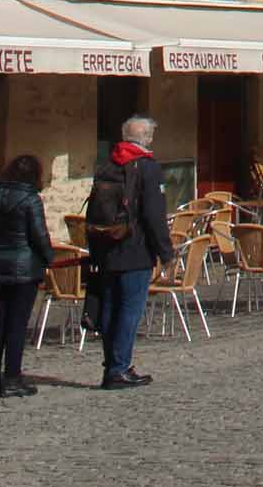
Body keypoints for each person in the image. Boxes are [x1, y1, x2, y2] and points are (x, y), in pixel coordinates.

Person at [86, 116, 174, 391]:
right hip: (135, 249)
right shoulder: (147, 168)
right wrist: (166, 253)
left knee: (111, 309)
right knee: (129, 311)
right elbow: (153, 215)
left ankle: (112, 365)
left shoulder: (107, 165)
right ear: (146, 139)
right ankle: (119, 369)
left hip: (108, 248)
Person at [0, 152, 54, 398]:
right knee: (17, 324)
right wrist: (49, 258)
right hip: (23, 267)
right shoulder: (30, 199)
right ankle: (12, 377)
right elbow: (39, 235)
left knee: (0, 321)